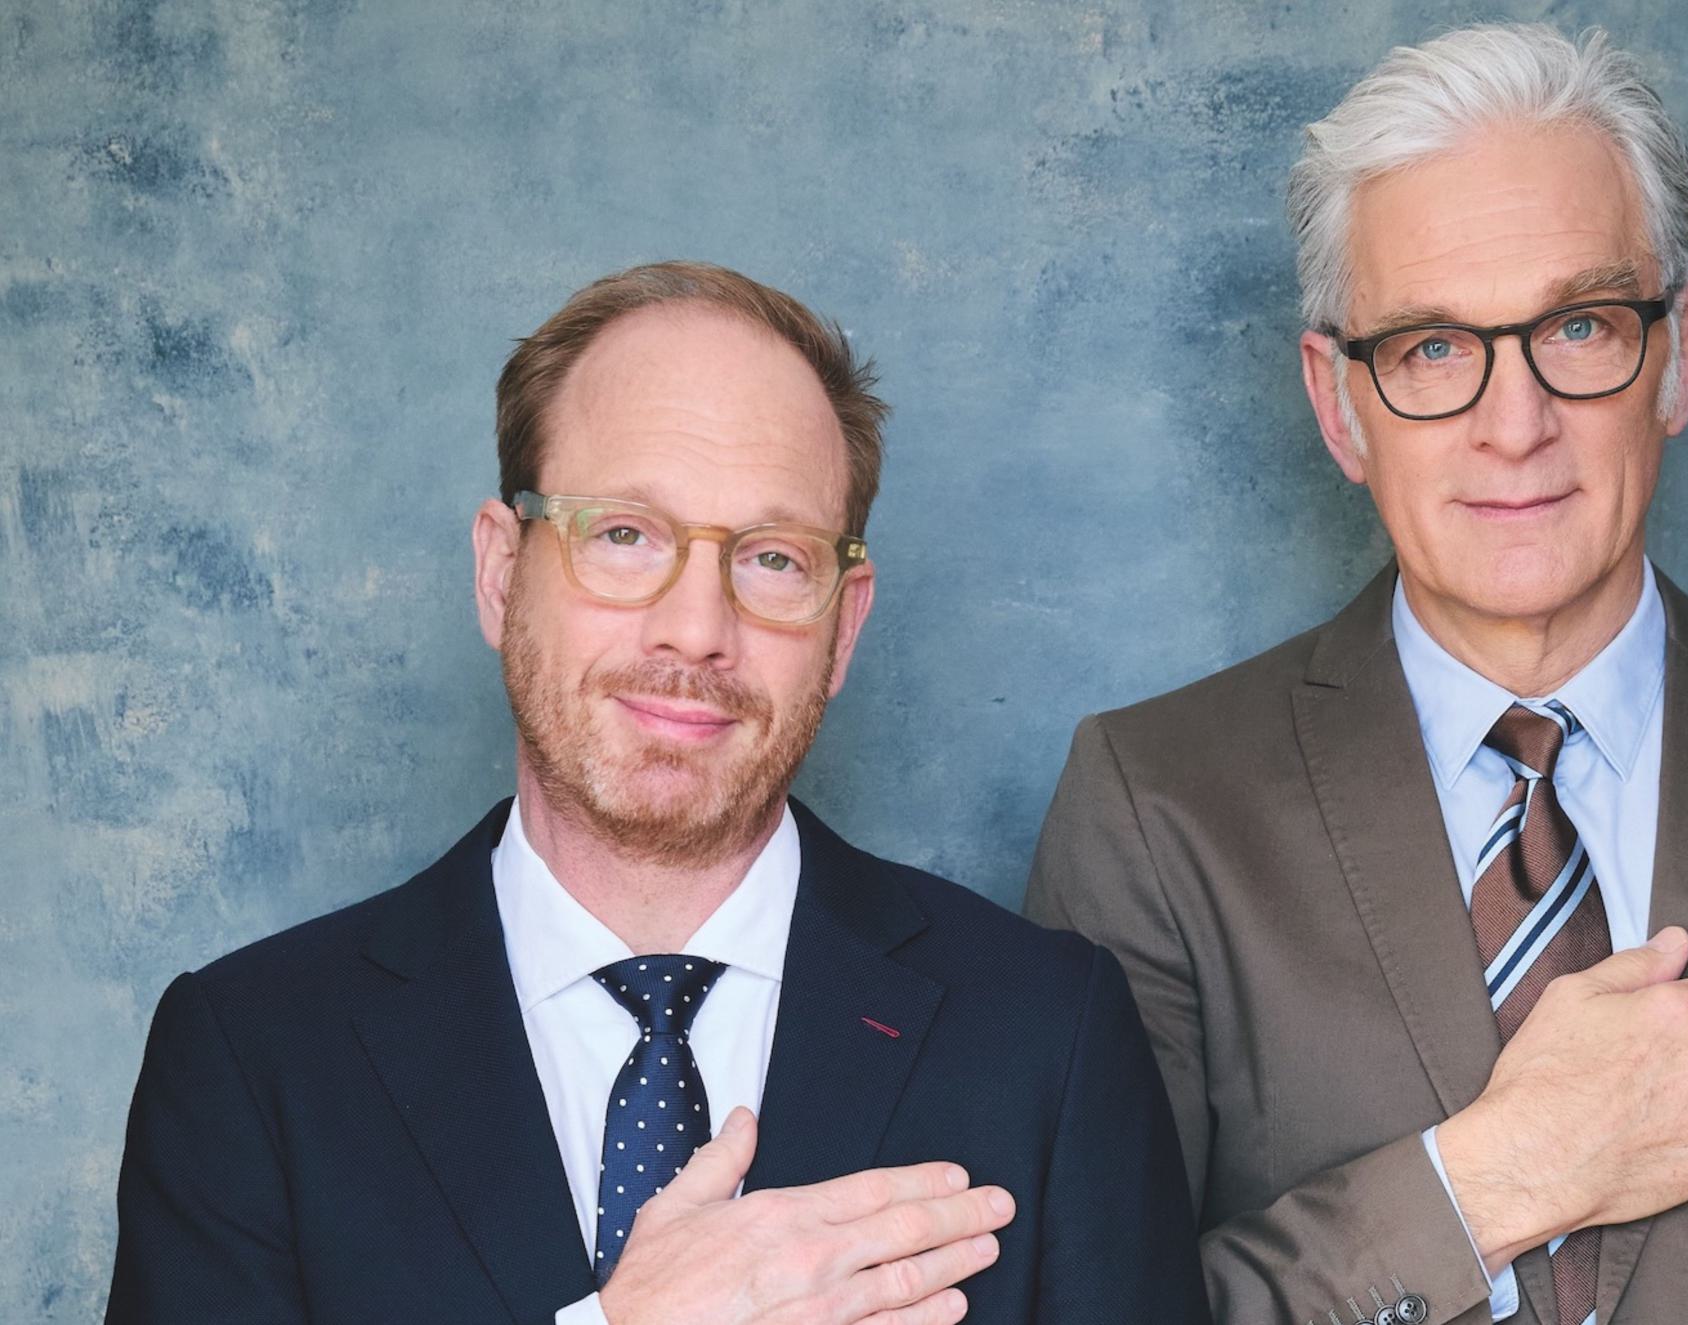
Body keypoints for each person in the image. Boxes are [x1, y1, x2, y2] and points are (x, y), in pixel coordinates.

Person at [1025, 24, 1688, 1325]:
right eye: (1430, 347)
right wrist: (1493, 1178)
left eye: (1578, 325)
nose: (1513, 423)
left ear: (1677, 354)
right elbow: (1074, 1308)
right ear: (1338, 405)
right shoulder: (1153, 809)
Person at [109, 261, 1207, 1325]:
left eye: (773, 558)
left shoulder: (1045, 1032)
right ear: (501, 573)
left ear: (843, 625)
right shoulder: (254, 1056)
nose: (696, 628)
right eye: (625, 535)